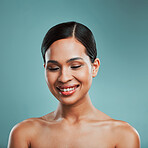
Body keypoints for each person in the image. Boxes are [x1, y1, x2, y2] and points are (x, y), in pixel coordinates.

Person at [8, 21, 140, 148]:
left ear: (94, 67)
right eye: (53, 68)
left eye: (75, 66)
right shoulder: (24, 134)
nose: (64, 78)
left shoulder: (123, 136)